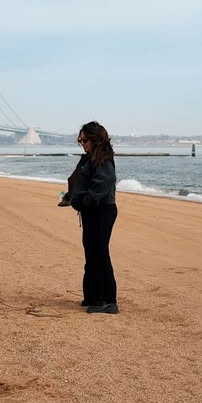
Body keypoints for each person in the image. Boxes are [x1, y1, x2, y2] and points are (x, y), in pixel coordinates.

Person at [66, 121, 119, 314]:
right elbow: (84, 182)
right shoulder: (90, 158)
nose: (82, 143)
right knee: (91, 253)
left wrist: (83, 202)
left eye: (85, 140)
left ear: (95, 139)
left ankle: (108, 301)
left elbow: (102, 185)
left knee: (99, 254)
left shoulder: (103, 159)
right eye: (80, 140)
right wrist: (72, 197)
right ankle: (93, 296)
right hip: (92, 211)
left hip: (102, 211)